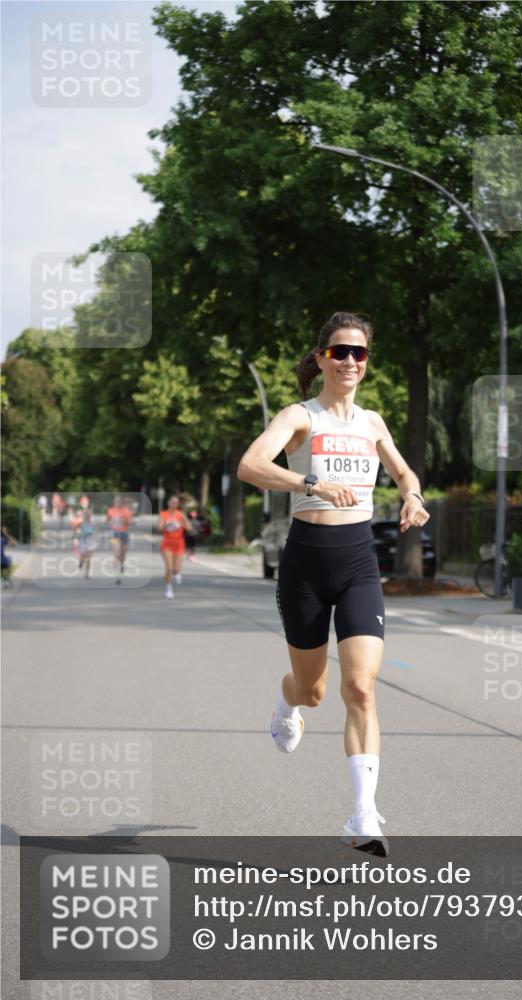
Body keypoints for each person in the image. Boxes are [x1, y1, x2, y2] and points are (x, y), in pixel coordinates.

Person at [237, 311, 430, 857]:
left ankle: (363, 815)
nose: (350, 361)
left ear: (367, 362)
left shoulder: (372, 423)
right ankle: (286, 701)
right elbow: (251, 465)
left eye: (359, 354)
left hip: (358, 565)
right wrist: (310, 482)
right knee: (315, 691)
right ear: (321, 358)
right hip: (305, 565)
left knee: (361, 687)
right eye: (340, 352)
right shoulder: (301, 417)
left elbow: (403, 472)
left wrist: (412, 498)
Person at [158, 496, 193, 598]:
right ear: (168, 503)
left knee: (176, 569)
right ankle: (168, 589)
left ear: (178, 504)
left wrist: (182, 522)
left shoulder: (180, 514)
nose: (174, 504)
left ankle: (177, 573)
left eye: (176, 503)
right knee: (169, 568)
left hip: (179, 544)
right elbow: (159, 528)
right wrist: (166, 525)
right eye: (172, 502)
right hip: (167, 543)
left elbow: (189, 527)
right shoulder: (163, 514)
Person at [106, 496, 133, 585]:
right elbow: (107, 520)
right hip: (114, 533)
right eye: (116, 502)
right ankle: (117, 574)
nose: (117, 503)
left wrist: (124, 521)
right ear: (114, 503)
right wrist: (111, 522)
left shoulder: (126, 511)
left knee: (123, 554)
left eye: (119, 502)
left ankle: (121, 565)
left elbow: (130, 522)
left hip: (124, 533)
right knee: (117, 554)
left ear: (122, 502)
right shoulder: (110, 511)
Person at [78, 509, 97, 579]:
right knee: (83, 555)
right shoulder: (82, 524)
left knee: (89, 558)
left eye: (89, 515)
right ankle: (81, 561)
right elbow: (78, 531)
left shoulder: (92, 524)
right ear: (84, 516)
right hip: (83, 541)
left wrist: (95, 535)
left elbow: (96, 531)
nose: (88, 516)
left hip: (91, 542)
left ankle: (86, 573)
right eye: (86, 515)